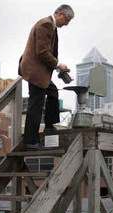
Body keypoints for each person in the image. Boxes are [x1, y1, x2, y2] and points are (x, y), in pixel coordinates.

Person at [19, 4, 74, 150]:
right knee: (35, 104)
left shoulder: (50, 26)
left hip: (39, 71)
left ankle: (49, 126)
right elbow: (42, 52)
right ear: (60, 14)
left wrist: (56, 67)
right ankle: (31, 141)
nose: (67, 24)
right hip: (35, 71)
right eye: (67, 20)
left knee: (52, 92)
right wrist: (58, 65)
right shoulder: (46, 24)